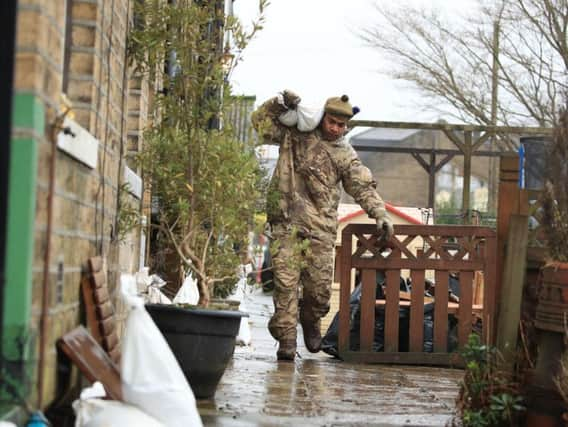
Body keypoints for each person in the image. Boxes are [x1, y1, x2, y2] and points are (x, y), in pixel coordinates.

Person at [251, 91, 393, 361]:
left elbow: (361, 185)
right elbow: (260, 124)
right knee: (285, 283)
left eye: (341, 125)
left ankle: (311, 319)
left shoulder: (344, 154)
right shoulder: (295, 135)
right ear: (322, 118)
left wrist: (380, 213)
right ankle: (287, 338)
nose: (336, 128)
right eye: (332, 122)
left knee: (319, 290)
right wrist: (279, 103)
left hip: (320, 229)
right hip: (287, 223)